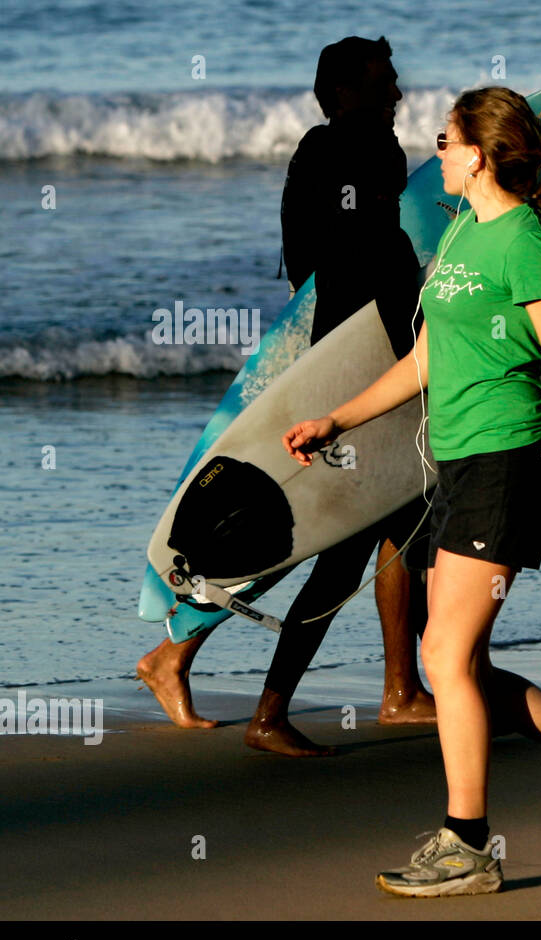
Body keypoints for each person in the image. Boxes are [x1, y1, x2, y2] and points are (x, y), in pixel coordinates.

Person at [282, 86, 541, 893]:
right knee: (465, 665)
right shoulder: (461, 232)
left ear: (479, 156)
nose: (438, 152)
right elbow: (426, 360)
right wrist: (336, 420)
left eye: (447, 141)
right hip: (458, 467)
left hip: (509, 466)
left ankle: (468, 843)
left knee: (443, 656)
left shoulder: (525, 244)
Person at [136, 36, 438, 753]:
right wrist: (414, 342)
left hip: (339, 357)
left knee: (400, 519)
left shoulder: (317, 153)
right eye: (380, 82)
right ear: (341, 94)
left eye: (393, 80)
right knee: (335, 538)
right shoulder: (363, 150)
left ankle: (402, 689)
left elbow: (306, 268)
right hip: (363, 369)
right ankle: (266, 710)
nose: (395, 93)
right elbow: (372, 259)